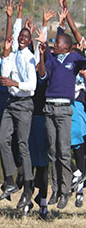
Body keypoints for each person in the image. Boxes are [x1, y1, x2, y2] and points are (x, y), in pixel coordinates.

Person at [36, 28, 86, 209]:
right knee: (53, 151)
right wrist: (42, 55)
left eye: (57, 43)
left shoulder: (74, 59)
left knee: (64, 151)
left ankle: (65, 191)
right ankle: (55, 189)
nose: (54, 45)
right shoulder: (51, 58)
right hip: (49, 107)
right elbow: (42, 75)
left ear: (66, 46)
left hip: (65, 110)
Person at [0, 25, 37, 209]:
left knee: (22, 145)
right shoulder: (13, 55)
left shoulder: (30, 58)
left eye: (26, 36)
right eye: (20, 35)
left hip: (25, 103)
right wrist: (5, 54)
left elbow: (32, 85)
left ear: (30, 41)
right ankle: (10, 180)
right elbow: (4, 75)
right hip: (11, 102)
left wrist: (15, 83)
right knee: (2, 140)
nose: (22, 38)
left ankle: (29, 186)